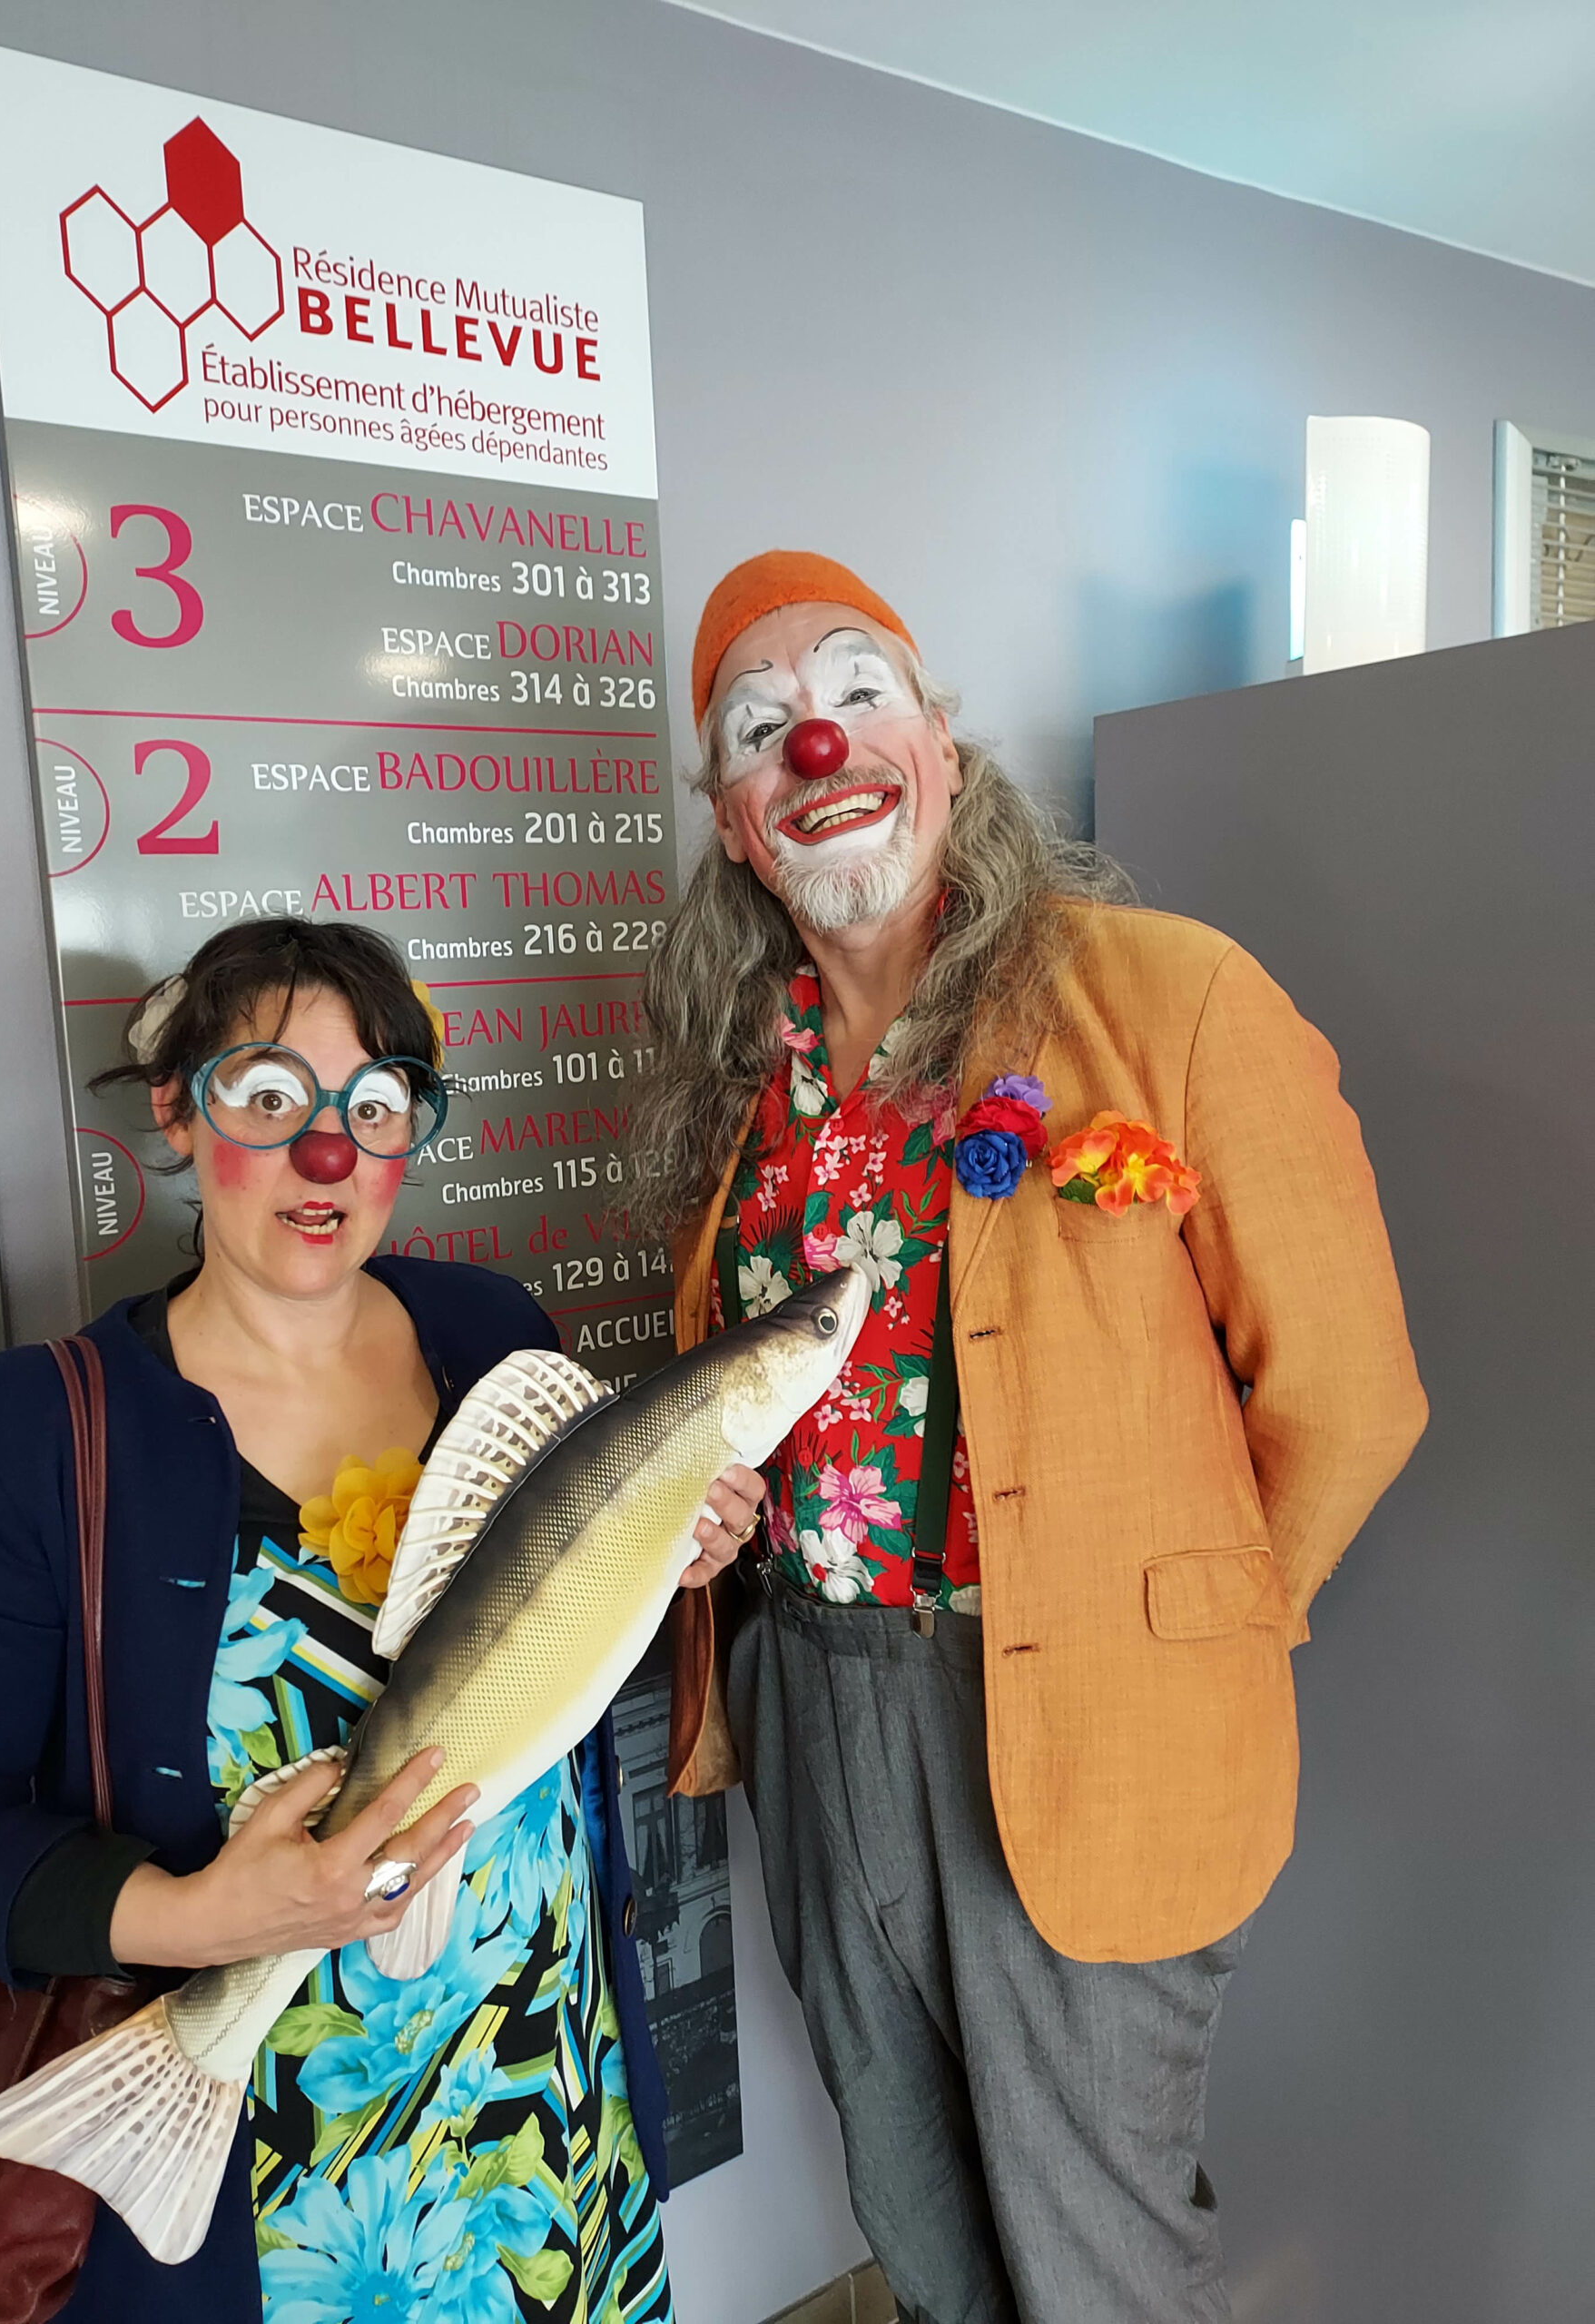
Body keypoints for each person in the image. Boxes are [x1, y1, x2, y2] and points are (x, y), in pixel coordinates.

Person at [635, 551, 1428, 2324]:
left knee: (1097, 2257)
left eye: (858, 691)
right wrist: (722, 1511)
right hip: (811, 1700)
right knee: (916, 2215)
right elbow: (761, 1393)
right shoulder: (746, 1086)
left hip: (1072, 1715)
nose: (817, 740)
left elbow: (1351, 1394)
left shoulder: (1168, 996)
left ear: (942, 742)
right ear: (739, 824)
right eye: (762, 729)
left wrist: (1195, 1632)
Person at [0, 917, 762, 2324]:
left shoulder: (492, 1336)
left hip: (550, 2113)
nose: (326, 1154)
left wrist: (670, 1554)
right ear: (177, 1111)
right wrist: (198, 1911)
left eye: (372, 1106)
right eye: (270, 1097)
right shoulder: (41, 1435)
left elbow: (533, 1664)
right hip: (275, 2197)